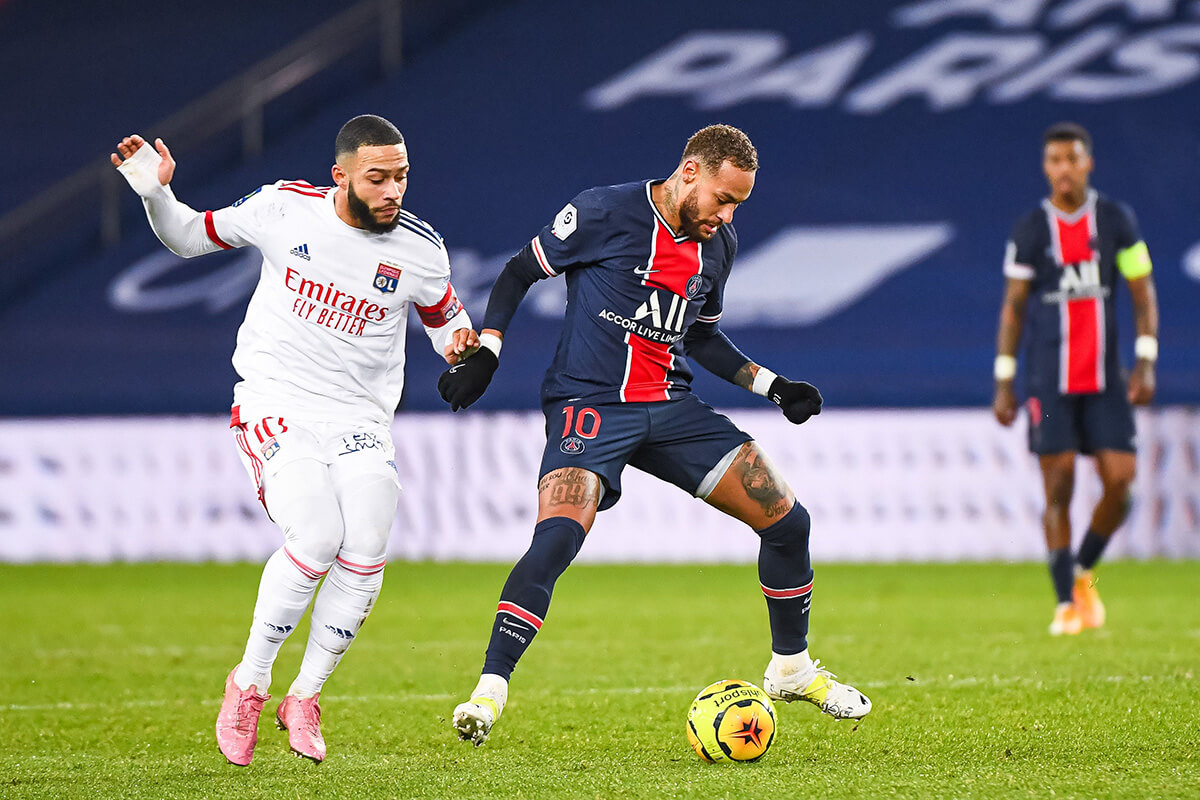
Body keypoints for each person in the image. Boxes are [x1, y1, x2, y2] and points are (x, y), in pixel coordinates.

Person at [436, 124, 871, 747]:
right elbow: (515, 273)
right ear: (690, 172)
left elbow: (697, 334)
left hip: (670, 406)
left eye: (738, 206)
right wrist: (487, 350)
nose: (726, 216)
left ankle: (791, 668)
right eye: (723, 199)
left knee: (787, 520)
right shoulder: (603, 211)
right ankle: (489, 690)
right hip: (588, 406)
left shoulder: (716, 248)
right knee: (557, 538)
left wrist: (774, 387)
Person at [111, 115, 479, 764]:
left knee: (366, 544)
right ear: (341, 176)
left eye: (402, 176)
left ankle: (303, 696)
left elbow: (447, 327)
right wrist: (155, 194)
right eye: (377, 178)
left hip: (361, 421)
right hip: (277, 403)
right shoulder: (284, 208)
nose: (394, 189)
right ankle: (248, 684)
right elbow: (188, 238)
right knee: (317, 537)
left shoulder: (422, 250)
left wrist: (464, 354)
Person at [993, 122, 1158, 636]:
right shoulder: (1030, 230)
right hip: (1049, 380)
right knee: (1058, 489)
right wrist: (1005, 379)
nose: (1064, 168)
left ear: (1088, 163)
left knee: (1122, 483)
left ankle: (1084, 569)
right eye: (1055, 160)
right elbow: (1014, 310)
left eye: (1073, 158)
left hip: (1106, 378)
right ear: (1047, 168)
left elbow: (1142, 290)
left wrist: (1146, 358)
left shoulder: (1115, 221)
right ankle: (1066, 602)